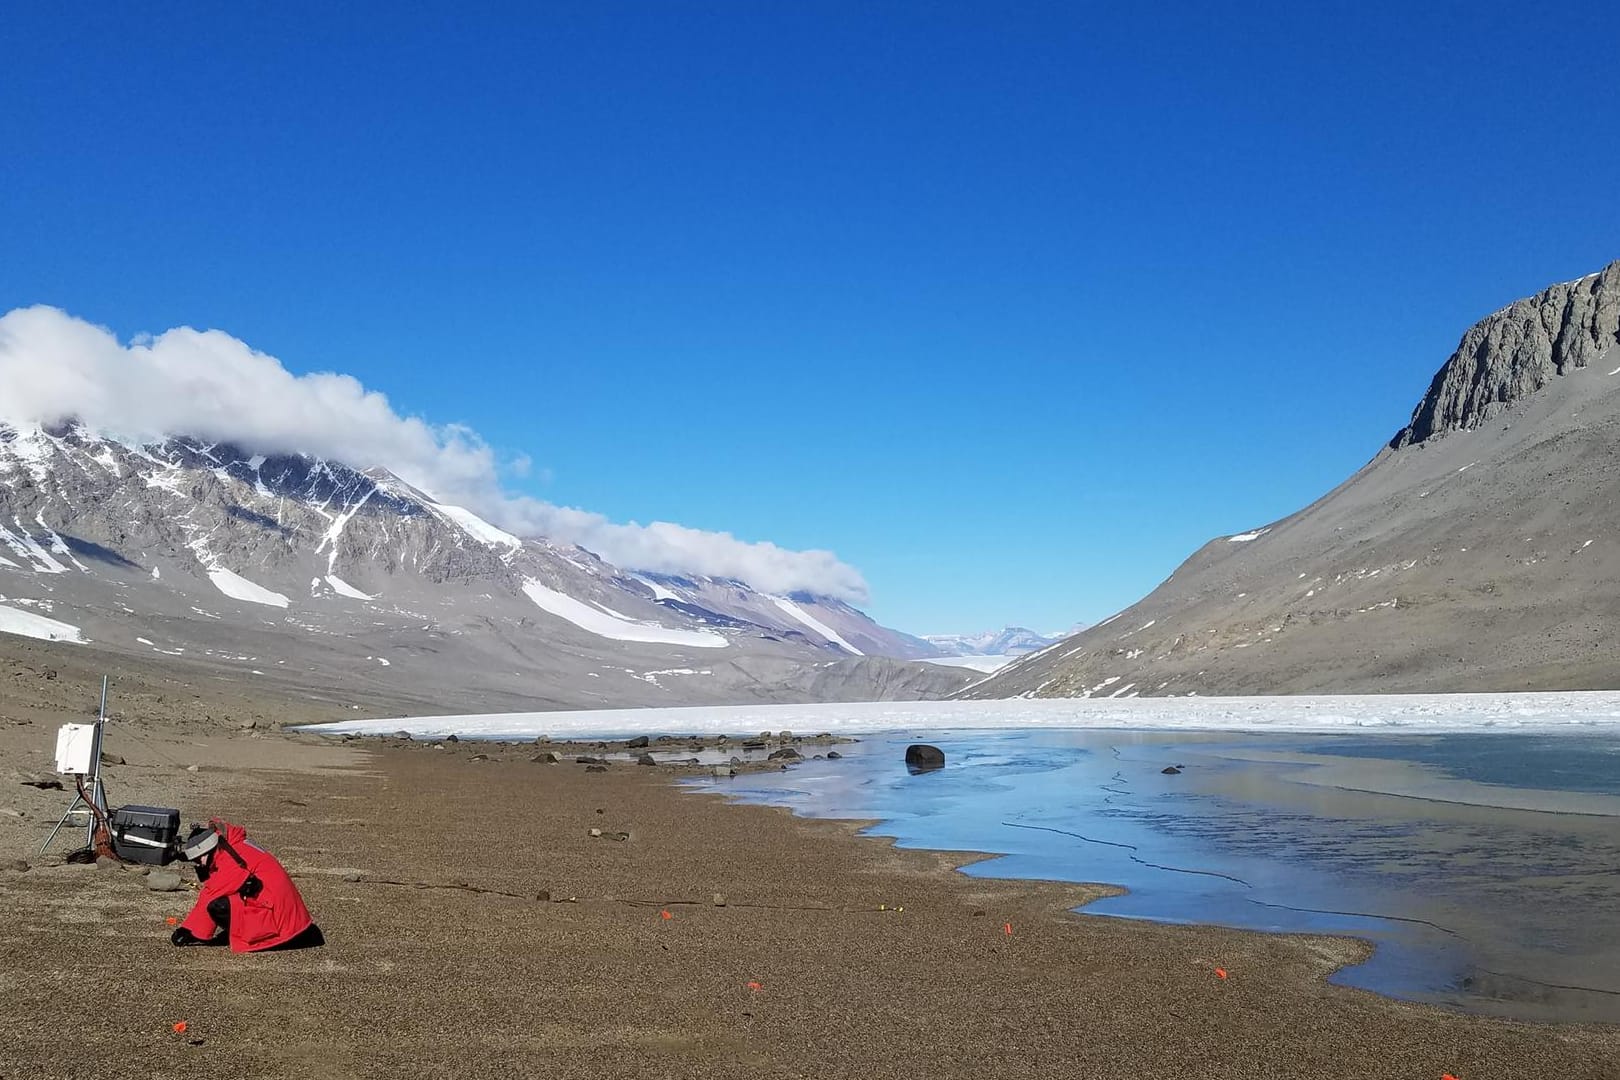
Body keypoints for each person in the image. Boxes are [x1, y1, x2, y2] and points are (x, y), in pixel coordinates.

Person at [170, 819, 323, 951]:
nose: (198, 865)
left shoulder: (231, 860)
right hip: (291, 916)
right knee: (226, 899)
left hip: (285, 926)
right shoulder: (234, 846)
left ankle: (258, 936)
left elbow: (211, 893)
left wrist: (190, 932)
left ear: (207, 851)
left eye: (198, 860)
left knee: (217, 906)